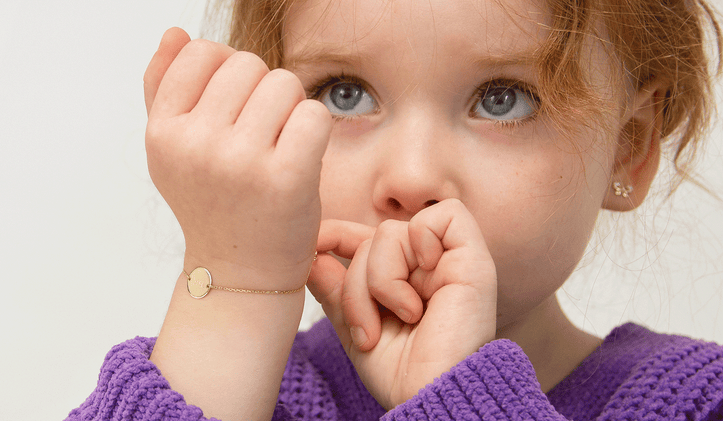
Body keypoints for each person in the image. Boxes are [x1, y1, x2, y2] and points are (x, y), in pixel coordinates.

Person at [66, 0, 723, 419]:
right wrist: (235, 288)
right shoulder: (237, 391)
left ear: (628, 147)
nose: (411, 177)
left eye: (503, 98)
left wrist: (459, 395)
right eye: (344, 93)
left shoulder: (695, 400)